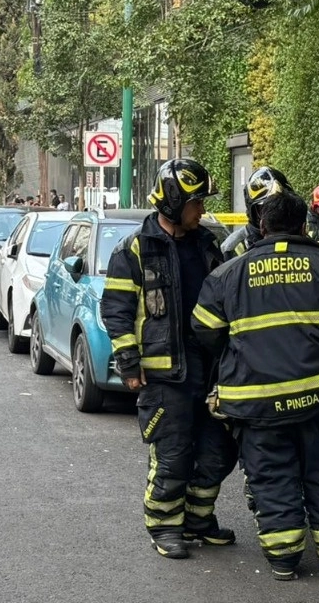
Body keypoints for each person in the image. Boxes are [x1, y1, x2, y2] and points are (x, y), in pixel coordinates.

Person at [193, 191, 319, 580]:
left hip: (255, 402)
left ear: (261, 225)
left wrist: (241, 351)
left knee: (271, 477)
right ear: (304, 224)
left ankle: (283, 559)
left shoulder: (229, 273)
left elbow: (204, 331)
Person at [101, 158, 236, 561]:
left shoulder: (207, 244)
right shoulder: (135, 250)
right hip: (165, 375)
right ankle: (164, 525)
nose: (202, 210)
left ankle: (198, 520)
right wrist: (129, 363)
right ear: (174, 202)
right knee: (173, 454)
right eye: (196, 203)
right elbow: (116, 310)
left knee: (218, 451)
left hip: (211, 370)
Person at [221, 166, 294, 258]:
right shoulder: (231, 248)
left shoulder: (300, 237)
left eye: (282, 205)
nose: (276, 212)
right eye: (266, 207)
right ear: (253, 212)